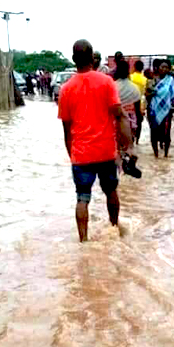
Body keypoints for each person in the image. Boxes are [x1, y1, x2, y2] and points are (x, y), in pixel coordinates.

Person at [57, 39, 133, 242]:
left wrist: (71, 154)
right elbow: (119, 115)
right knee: (111, 192)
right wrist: (128, 148)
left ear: (73, 59)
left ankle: (83, 241)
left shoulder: (65, 89)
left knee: (82, 198)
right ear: (92, 58)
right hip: (106, 152)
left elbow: (66, 130)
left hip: (81, 155)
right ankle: (115, 229)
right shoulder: (106, 82)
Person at [113, 60, 143, 178]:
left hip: (116, 119)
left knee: (117, 148)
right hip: (131, 121)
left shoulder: (113, 86)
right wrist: (139, 122)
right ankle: (128, 165)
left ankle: (120, 169)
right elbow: (137, 107)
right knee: (129, 146)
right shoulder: (134, 88)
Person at [146, 59, 174, 157]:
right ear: (158, 68)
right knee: (154, 133)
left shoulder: (171, 81)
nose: (164, 69)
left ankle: (166, 155)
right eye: (162, 67)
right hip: (153, 110)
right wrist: (151, 93)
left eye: (166, 67)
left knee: (166, 133)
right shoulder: (152, 80)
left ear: (169, 69)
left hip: (167, 111)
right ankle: (156, 154)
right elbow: (147, 94)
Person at [130, 60, 147, 143]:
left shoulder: (130, 77)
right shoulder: (145, 79)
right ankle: (138, 139)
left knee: (131, 120)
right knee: (139, 121)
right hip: (141, 102)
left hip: (131, 102)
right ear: (142, 68)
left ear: (135, 67)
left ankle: (132, 138)